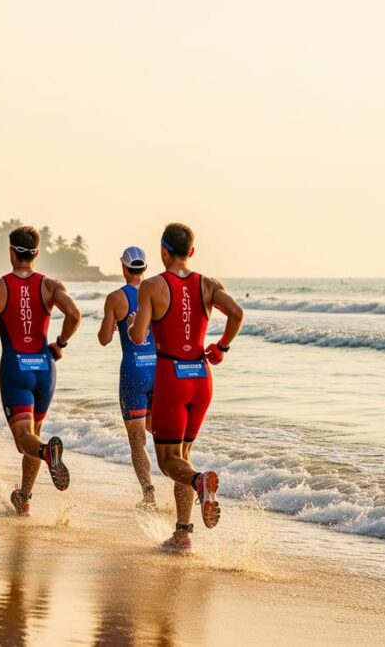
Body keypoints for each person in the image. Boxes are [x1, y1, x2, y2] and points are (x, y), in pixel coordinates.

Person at [128, 223, 243, 552]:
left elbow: (138, 336)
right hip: (201, 378)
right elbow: (237, 313)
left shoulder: (152, 286)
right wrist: (222, 347)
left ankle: (198, 481)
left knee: (168, 462)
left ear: (162, 251)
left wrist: (136, 322)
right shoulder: (208, 284)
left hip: (172, 377)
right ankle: (182, 534)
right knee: (183, 455)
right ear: (191, 251)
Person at [0, 226, 79, 515]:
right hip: (45, 368)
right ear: (36, 253)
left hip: (15, 369)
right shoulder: (50, 285)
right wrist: (60, 343)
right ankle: (25, 496)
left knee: (24, 439)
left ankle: (46, 452)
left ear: (11, 252)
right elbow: (74, 314)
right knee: (34, 433)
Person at [97, 246, 157, 510]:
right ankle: (187, 476)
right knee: (163, 433)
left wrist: (112, 324)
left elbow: (104, 339)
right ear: (145, 268)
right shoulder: (157, 293)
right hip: (158, 371)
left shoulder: (115, 298)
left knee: (137, 441)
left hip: (133, 372)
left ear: (123, 267)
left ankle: (149, 494)